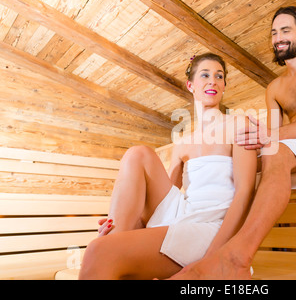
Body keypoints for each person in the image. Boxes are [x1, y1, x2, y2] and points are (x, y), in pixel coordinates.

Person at [168, 6, 296, 279]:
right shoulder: (274, 88)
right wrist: (250, 140)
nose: (278, 37)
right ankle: (203, 229)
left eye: (285, 30)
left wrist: (269, 138)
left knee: (274, 153)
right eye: (274, 33)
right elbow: (269, 139)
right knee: (236, 160)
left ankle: (236, 255)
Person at [78, 53, 257, 279]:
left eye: (219, 76)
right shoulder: (182, 144)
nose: (213, 80)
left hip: (212, 227)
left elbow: (245, 193)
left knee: (97, 251)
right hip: (183, 215)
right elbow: (161, 206)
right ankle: (113, 237)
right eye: (205, 75)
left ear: (223, 86)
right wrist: (125, 230)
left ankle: (110, 250)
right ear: (190, 85)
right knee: (137, 154)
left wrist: (215, 256)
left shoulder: (239, 124)